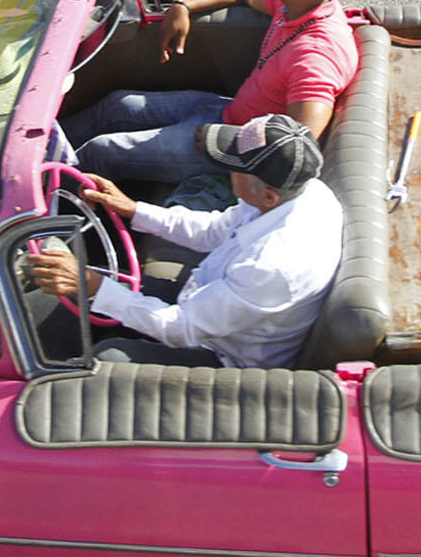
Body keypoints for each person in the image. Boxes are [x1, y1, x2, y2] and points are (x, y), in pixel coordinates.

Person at [62, 0, 359, 184]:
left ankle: (37, 196)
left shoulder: (316, 56)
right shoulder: (297, 4)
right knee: (119, 105)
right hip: (227, 111)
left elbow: (295, 148)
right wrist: (182, 6)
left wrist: (223, 141)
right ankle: (35, 148)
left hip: (229, 148)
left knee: (100, 151)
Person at [26, 114, 342, 368]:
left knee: (108, 357)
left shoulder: (271, 266)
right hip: (206, 299)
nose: (224, 169)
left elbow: (182, 329)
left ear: (269, 196)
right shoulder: (304, 190)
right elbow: (214, 230)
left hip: (222, 356)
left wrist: (91, 284)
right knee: (82, 298)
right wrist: (132, 209)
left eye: (233, 168)